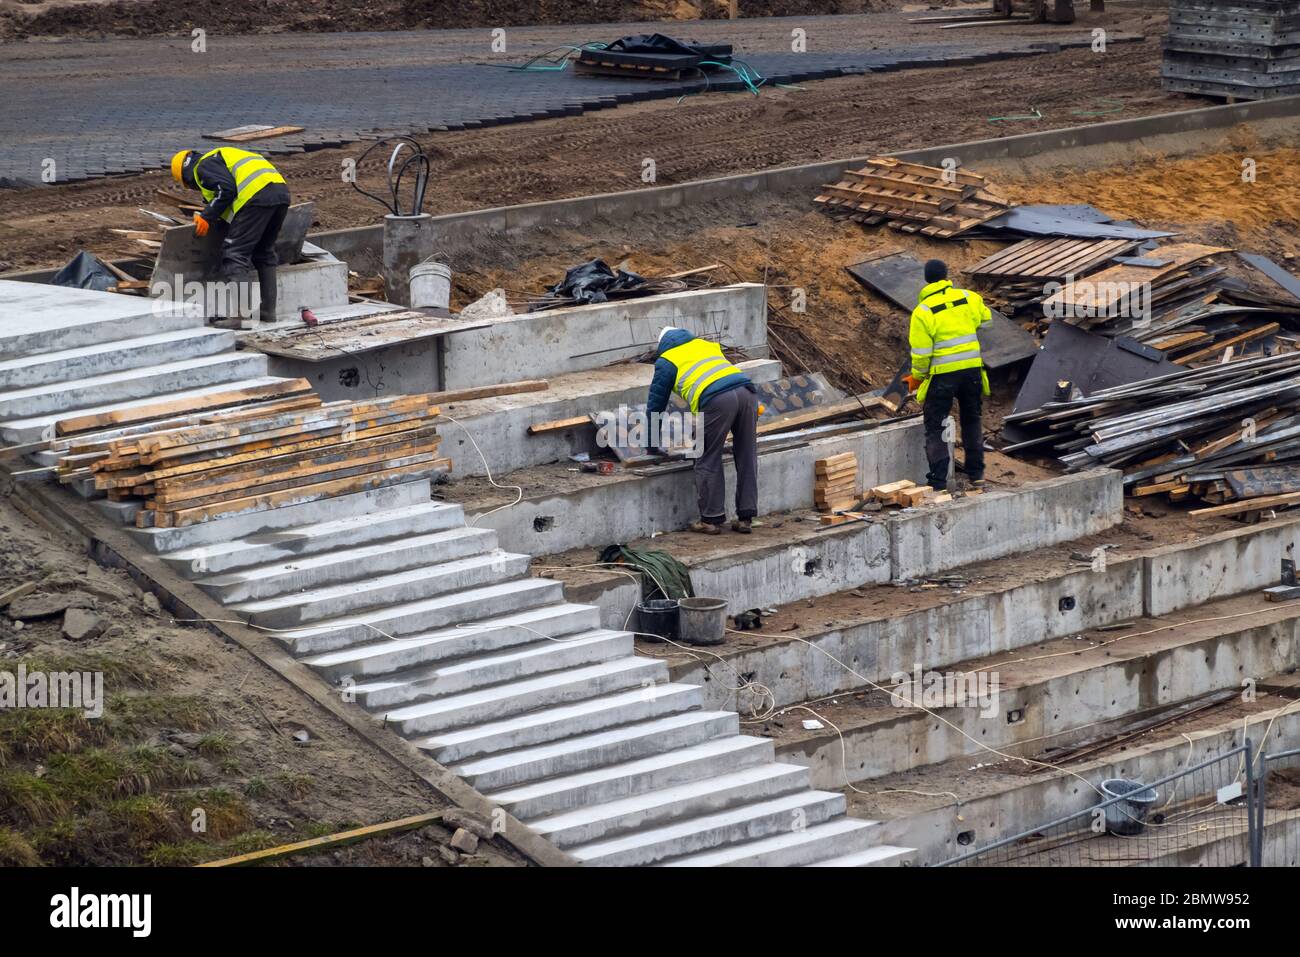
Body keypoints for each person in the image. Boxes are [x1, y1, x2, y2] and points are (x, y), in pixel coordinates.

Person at [647, 327, 759, 535]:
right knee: (747, 454)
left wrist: (651, 444)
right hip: (747, 393)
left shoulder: (667, 360)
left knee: (705, 455)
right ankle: (746, 518)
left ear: (662, 345)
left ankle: (711, 519)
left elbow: (656, 405)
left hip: (716, 399)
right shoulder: (707, 346)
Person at [170, 147, 290, 323]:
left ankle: (241, 317)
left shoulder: (202, 167)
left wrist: (207, 216)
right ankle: (267, 311)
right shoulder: (222, 157)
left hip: (255, 196)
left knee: (235, 254)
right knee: (264, 253)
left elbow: (225, 190)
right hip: (280, 193)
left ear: (186, 176)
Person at [904, 259, 991, 491]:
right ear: (946, 275)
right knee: (972, 420)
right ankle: (977, 476)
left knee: (936, 425)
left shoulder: (922, 312)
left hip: (943, 376)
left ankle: (939, 482)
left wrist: (918, 377)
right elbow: (986, 319)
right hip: (972, 370)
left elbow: (922, 355)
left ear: (926, 279)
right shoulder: (969, 297)